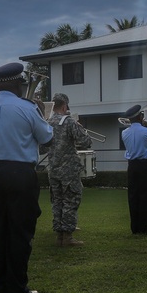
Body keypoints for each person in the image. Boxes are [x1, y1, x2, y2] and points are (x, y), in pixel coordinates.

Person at [0, 62, 54, 293]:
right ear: (15, 83)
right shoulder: (27, 108)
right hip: (19, 172)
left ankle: (1, 285)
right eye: (22, 83)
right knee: (21, 230)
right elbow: (47, 137)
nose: (23, 87)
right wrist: (42, 115)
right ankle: (17, 285)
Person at [43, 92, 92, 246]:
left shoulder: (47, 122)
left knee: (57, 202)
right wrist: (80, 128)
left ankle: (59, 236)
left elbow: (43, 146)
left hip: (53, 170)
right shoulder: (69, 121)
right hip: (69, 170)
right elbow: (85, 142)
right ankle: (68, 237)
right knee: (70, 201)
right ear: (64, 106)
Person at [121, 104, 147, 235]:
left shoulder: (124, 132)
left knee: (133, 196)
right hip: (145, 165)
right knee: (145, 196)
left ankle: (135, 228)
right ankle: (144, 228)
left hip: (131, 166)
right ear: (140, 116)